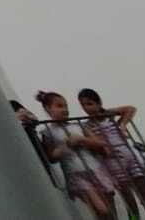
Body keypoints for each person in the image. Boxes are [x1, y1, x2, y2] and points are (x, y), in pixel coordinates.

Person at [79, 88, 145, 220]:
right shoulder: (87, 125)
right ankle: (134, 219)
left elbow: (130, 109)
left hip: (131, 159)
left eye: (89, 104)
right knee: (129, 201)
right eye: (83, 105)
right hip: (113, 164)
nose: (86, 108)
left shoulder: (108, 116)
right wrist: (102, 145)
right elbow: (98, 143)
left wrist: (122, 124)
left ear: (98, 103)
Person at [36, 90, 114, 219]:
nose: (65, 109)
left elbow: (100, 143)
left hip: (94, 168)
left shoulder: (77, 125)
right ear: (48, 108)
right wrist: (64, 146)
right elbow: (51, 157)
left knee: (108, 205)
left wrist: (82, 140)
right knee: (100, 209)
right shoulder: (47, 132)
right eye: (59, 106)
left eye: (66, 106)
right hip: (75, 173)